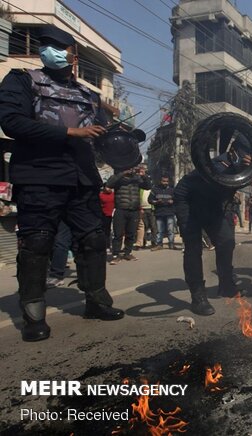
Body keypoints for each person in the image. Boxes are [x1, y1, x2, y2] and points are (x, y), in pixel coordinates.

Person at [0, 25, 124, 341]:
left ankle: (96, 301)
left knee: (94, 240)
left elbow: (101, 138)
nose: (49, 49)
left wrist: (122, 143)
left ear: (73, 54)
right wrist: (68, 133)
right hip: (39, 175)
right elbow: (12, 122)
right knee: (37, 244)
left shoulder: (88, 94)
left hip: (82, 179)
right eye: (45, 44)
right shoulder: (21, 80)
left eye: (58, 45)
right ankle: (33, 316)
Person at [174, 145, 251, 315]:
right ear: (234, 151)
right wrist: (239, 167)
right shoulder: (220, 162)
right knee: (193, 248)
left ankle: (226, 285)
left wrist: (248, 169)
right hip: (188, 200)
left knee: (227, 242)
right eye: (246, 153)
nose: (249, 157)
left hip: (211, 204)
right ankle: (198, 296)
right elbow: (216, 179)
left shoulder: (245, 167)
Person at [106, 165, 152, 263]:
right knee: (118, 233)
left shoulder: (137, 179)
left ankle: (127, 253)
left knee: (131, 233)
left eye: (132, 168)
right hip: (121, 209)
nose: (131, 170)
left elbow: (148, 186)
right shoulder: (118, 178)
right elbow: (109, 184)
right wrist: (122, 173)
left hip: (134, 210)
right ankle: (116, 254)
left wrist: (144, 176)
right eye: (129, 168)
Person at [149, 175, 176, 250]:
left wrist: (173, 201)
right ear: (160, 181)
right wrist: (157, 202)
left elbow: (177, 200)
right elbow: (150, 200)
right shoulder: (155, 190)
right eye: (164, 181)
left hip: (169, 212)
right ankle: (159, 244)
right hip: (159, 213)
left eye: (167, 181)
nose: (165, 183)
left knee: (170, 229)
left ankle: (171, 244)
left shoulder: (172, 190)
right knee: (159, 230)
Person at [99, 185, 115, 252]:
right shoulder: (101, 195)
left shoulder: (114, 194)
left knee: (115, 231)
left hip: (114, 214)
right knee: (106, 231)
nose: (109, 189)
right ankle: (107, 246)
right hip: (105, 215)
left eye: (110, 187)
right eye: (107, 187)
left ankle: (115, 246)